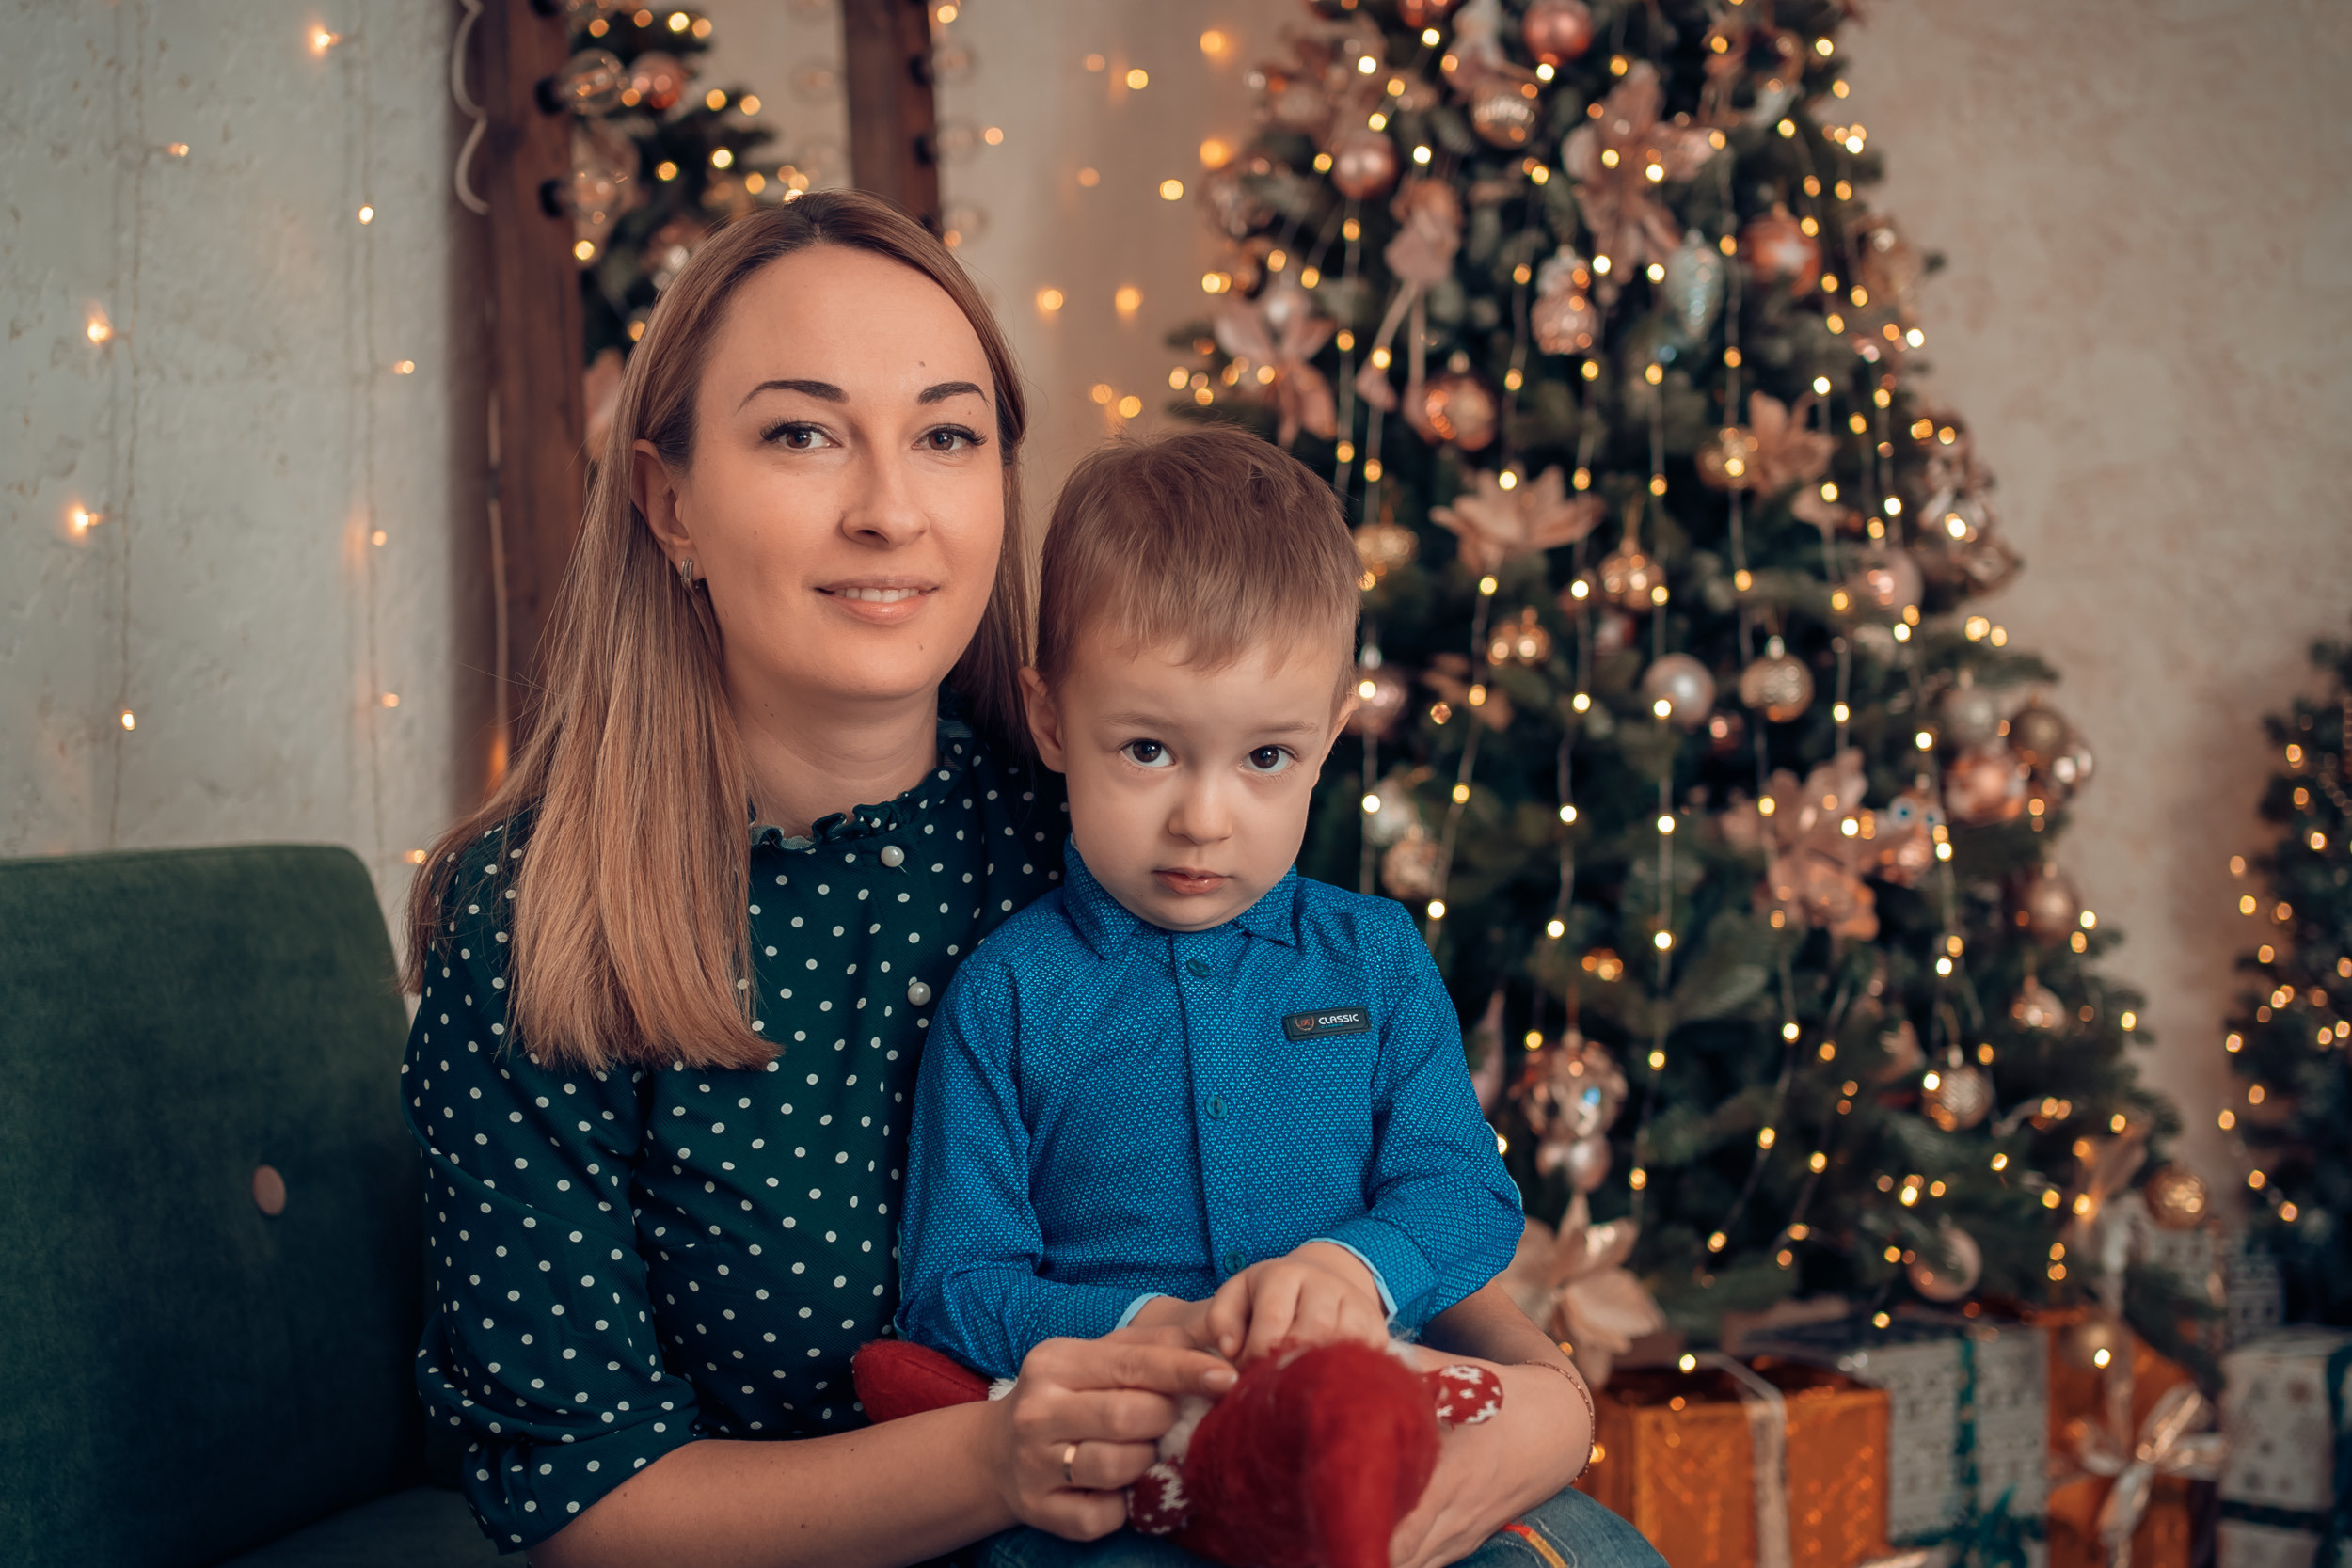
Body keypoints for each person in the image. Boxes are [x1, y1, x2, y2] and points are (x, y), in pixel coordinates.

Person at [398, 190, 1633, 1568]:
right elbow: (571, 1491)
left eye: (946, 434)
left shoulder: (1127, 812)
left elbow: (1395, 1183)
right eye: (802, 432)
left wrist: (1550, 1408)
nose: (888, 509)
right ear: (669, 500)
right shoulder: (533, 920)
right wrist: (998, 1456)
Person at [896, 430, 1629, 1568]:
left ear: (1332, 732)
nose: (1203, 817)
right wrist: (1148, 1328)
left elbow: (1464, 1193)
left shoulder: (1374, 957)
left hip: (1364, 1427)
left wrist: (1355, 1266)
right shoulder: (1007, 994)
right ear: (1050, 719)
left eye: (1266, 758)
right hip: (1125, 1461)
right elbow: (959, 1283)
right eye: (1146, 747)